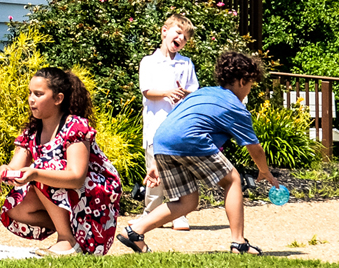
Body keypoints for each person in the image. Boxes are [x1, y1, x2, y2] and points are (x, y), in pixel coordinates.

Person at [118, 49, 279, 255]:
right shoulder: (235, 107)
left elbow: (176, 120)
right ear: (241, 81)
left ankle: (134, 231)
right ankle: (239, 243)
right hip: (189, 140)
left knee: (187, 201)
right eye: (250, 84)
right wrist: (264, 171)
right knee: (233, 180)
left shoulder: (203, 93)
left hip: (162, 140)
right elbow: (255, 148)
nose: (249, 89)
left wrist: (157, 163)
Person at [0, 66, 123, 255]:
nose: (31, 99)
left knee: (42, 168)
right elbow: (16, 167)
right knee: (15, 207)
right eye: (30, 93)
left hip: (97, 199)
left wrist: (36, 173)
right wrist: (5, 171)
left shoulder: (75, 126)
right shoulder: (31, 133)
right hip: (74, 203)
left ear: (58, 99)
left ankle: (68, 241)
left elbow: (77, 177)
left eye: (38, 94)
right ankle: (72, 232)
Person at [139, 13, 200, 230]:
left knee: (179, 171)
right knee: (154, 170)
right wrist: (168, 92)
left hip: (178, 128)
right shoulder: (149, 61)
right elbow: (147, 91)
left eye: (185, 37)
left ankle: (178, 214)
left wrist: (184, 94)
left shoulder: (186, 63)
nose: (181, 39)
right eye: (178, 33)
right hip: (156, 127)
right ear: (165, 31)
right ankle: (151, 214)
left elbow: (193, 89)